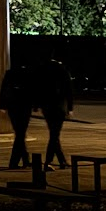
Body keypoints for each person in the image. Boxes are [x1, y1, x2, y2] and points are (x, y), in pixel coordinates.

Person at [31, 41, 75, 170]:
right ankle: (48, 161)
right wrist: (70, 108)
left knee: (54, 133)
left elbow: (36, 88)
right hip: (59, 105)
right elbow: (68, 91)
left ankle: (61, 161)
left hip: (46, 105)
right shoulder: (62, 70)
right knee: (54, 134)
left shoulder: (42, 69)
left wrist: (36, 104)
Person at [0, 56, 35, 170]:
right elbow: (33, 91)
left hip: (13, 106)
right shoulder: (29, 74)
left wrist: (3, 105)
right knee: (20, 134)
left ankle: (25, 159)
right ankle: (14, 162)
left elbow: (3, 89)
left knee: (19, 133)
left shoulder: (10, 73)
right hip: (24, 106)